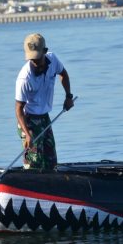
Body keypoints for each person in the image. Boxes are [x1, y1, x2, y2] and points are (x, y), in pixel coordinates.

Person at [15, 33, 74, 170]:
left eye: (37, 58)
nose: (34, 62)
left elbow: (63, 74)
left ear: (45, 52)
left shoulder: (53, 60)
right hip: (28, 121)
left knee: (51, 161)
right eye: (31, 59)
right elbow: (18, 109)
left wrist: (68, 97)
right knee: (34, 164)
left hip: (44, 117)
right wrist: (28, 135)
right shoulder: (24, 78)